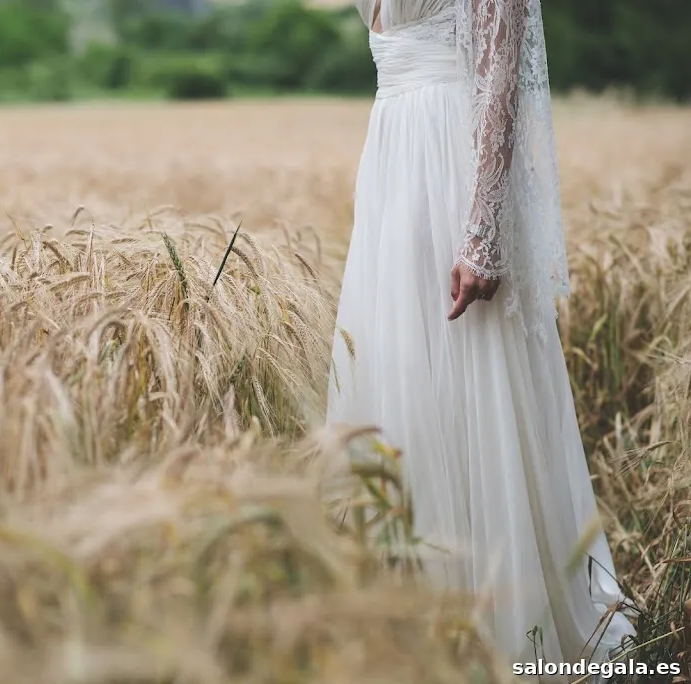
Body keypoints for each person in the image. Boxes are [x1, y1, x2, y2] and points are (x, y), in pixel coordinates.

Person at [325, 0, 637, 677]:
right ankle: (408, 613)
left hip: (452, 171)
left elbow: (500, 82)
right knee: (399, 376)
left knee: (476, 376)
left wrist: (483, 229)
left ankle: (504, 620)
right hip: (392, 169)